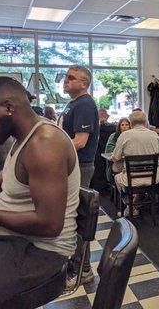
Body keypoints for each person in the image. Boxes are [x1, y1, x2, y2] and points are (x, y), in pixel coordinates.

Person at [0, 77, 80, 307]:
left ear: (8, 107)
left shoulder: (44, 143)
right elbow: (5, 178)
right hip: (12, 241)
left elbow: (49, 225)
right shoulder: (22, 138)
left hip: (41, 252)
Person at [58, 65, 99, 289]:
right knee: (73, 218)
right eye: (65, 77)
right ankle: (78, 266)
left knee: (78, 219)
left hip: (80, 167)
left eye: (71, 78)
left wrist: (53, 150)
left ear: (84, 83)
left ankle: (82, 269)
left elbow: (80, 141)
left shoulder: (84, 104)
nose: (66, 81)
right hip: (74, 166)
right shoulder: (73, 103)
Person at [112, 110, 159, 191]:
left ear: (131, 123)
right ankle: (140, 196)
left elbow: (115, 157)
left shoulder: (124, 135)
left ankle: (131, 200)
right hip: (153, 177)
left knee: (116, 175)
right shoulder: (154, 134)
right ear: (145, 122)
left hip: (131, 179)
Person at [92, 109, 116, 192]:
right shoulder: (114, 127)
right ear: (108, 116)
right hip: (110, 153)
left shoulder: (94, 127)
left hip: (97, 153)